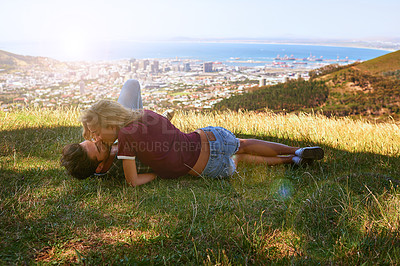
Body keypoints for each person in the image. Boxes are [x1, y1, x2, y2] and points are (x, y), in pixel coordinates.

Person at [66, 97, 324, 187]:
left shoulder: (125, 138)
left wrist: (156, 174)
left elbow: (132, 181)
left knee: (241, 159)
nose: (97, 137)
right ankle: (296, 150)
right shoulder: (144, 116)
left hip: (206, 167)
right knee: (242, 145)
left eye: (98, 134)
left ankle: (293, 160)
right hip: (209, 136)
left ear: (112, 124)